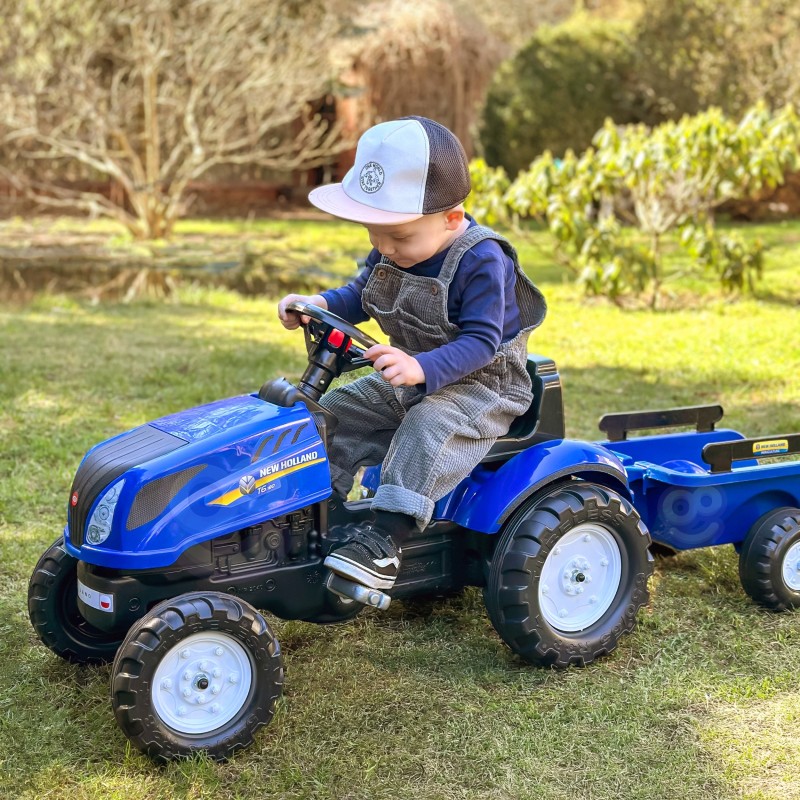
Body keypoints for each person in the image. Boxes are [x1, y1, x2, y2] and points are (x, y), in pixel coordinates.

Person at [278, 116, 546, 598]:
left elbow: (484, 341)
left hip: (482, 387)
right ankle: (319, 512)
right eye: (374, 235)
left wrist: (421, 368)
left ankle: (383, 540)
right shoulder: (393, 248)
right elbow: (362, 293)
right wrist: (320, 304)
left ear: (450, 217)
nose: (384, 248)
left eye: (398, 238)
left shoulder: (482, 259)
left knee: (428, 426)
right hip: (410, 375)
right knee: (334, 414)